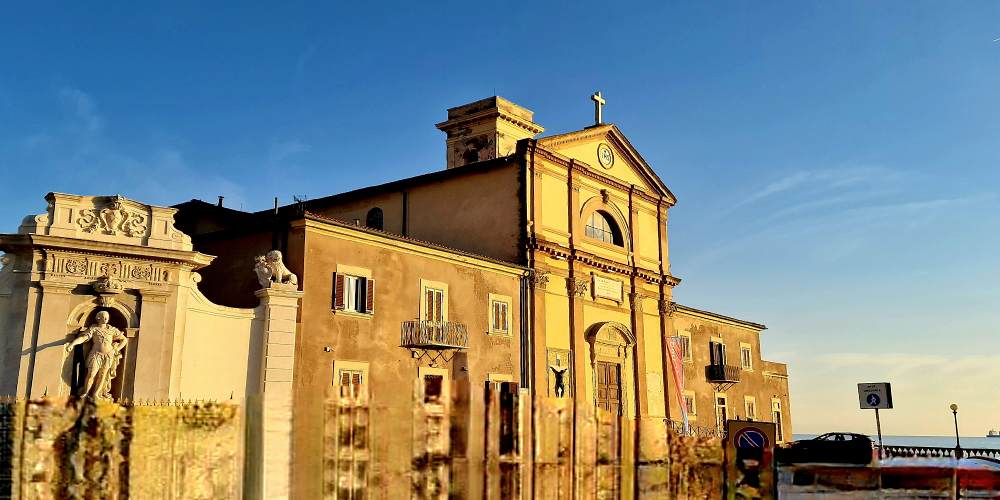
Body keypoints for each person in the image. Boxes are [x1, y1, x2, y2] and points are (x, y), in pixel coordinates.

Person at [65, 311, 127, 399]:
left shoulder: (112, 330)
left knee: (103, 375)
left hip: (108, 355)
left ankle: (96, 394)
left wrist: (116, 349)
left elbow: (124, 340)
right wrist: (72, 344)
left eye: (107, 317)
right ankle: (86, 393)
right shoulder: (94, 329)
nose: (105, 319)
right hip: (96, 354)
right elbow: (83, 338)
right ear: (98, 318)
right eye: (103, 317)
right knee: (91, 374)